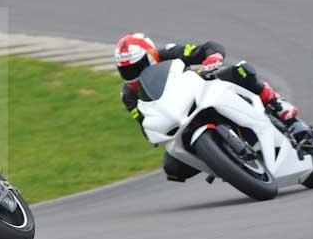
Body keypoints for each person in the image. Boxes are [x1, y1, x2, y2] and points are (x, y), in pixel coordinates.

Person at [114, 33, 299, 182]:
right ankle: (223, 162)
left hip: (203, 94)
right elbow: (142, 120)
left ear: (152, 56)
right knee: (172, 169)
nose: (133, 74)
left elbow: (206, 47)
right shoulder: (128, 95)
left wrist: (213, 56)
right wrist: (151, 131)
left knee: (241, 70)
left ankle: (279, 106)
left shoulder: (168, 53)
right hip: (180, 119)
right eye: (126, 71)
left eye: (137, 67)